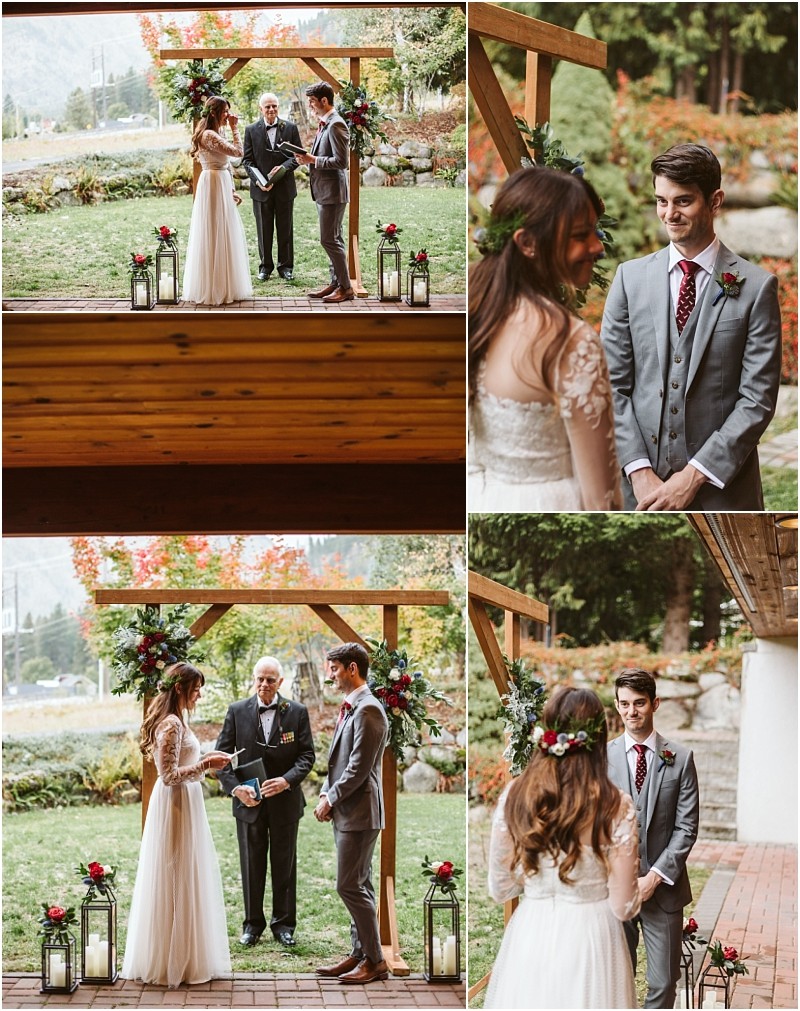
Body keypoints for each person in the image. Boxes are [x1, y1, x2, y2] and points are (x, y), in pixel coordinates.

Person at [601, 143, 782, 510]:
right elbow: (609, 386)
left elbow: (757, 399)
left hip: (723, 491)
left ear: (715, 201)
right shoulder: (629, 279)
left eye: (682, 201)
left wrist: (695, 475)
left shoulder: (756, 286)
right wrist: (638, 471)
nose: (669, 214)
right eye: (661, 201)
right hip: (638, 491)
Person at [469, 167, 622, 512]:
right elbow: (603, 500)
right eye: (581, 235)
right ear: (527, 243)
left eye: (595, 231)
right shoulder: (571, 342)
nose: (598, 246)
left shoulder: (477, 311)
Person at [486, 686, 641, 1009]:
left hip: (531, 933)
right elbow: (623, 906)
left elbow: (501, 888)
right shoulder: (616, 805)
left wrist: (537, 879)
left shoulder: (516, 794)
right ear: (599, 739)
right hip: (592, 939)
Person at [121, 662, 234, 988]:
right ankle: (168, 958)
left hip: (187, 802)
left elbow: (186, 766)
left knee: (187, 874)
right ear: (180, 687)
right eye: (196, 687)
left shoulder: (178, 720)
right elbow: (168, 776)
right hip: (174, 805)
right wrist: (206, 763)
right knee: (173, 873)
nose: (199, 693)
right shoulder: (170, 724)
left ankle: (186, 955)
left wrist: (209, 762)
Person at [607, 668, 700, 1009]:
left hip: (665, 893)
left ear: (655, 703)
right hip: (616, 890)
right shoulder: (603, 758)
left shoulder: (681, 758)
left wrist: (654, 878)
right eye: (624, 704)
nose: (632, 712)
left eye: (639, 703)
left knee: (663, 983)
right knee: (617, 979)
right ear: (617, 707)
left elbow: (686, 827)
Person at [216, 656, 315, 948]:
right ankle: (252, 925)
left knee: (284, 865)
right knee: (251, 864)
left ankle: (283, 925)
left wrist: (286, 780)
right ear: (254, 679)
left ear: (280, 682)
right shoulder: (236, 711)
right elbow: (222, 760)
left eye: (270, 679)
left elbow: (307, 755)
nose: (264, 684)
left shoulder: (296, 712)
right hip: (249, 805)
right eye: (260, 678)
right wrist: (236, 790)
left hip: (285, 803)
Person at [313, 642, 389, 984]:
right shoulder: (355, 707)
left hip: (360, 812)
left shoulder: (369, 709)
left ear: (352, 669)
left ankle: (375, 960)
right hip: (349, 811)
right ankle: (360, 953)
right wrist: (328, 794)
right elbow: (341, 762)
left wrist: (331, 798)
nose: (331, 675)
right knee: (361, 885)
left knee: (348, 886)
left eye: (334, 669)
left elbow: (358, 768)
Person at [182, 95, 253, 305]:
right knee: (214, 230)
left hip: (219, 181)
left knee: (224, 230)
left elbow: (226, 165)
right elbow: (238, 153)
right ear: (214, 112)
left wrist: (231, 189)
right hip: (213, 184)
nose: (228, 116)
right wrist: (235, 128)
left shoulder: (212, 133)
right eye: (225, 112)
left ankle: (225, 282)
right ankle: (214, 286)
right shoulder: (209, 135)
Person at [294, 82, 353, 303]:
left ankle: (346, 288)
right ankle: (336, 282)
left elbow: (341, 162)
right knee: (334, 238)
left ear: (324, 101)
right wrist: (307, 158)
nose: (310, 105)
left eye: (311, 101)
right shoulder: (326, 123)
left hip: (333, 192)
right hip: (324, 191)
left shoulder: (336, 124)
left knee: (328, 240)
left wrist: (313, 160)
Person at [242, 93, 302, 282]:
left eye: (274, 106)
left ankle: (286, 267)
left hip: (284, 188)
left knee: (285, 229)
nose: (271, 109)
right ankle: (265, 267)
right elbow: (247, 160)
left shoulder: (290, 128)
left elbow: (297, 157)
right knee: (263, 230)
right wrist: (258, 180)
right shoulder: (251, 130)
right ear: (261, 109)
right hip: (261, 190)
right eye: (267, 106)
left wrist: (284, 167)